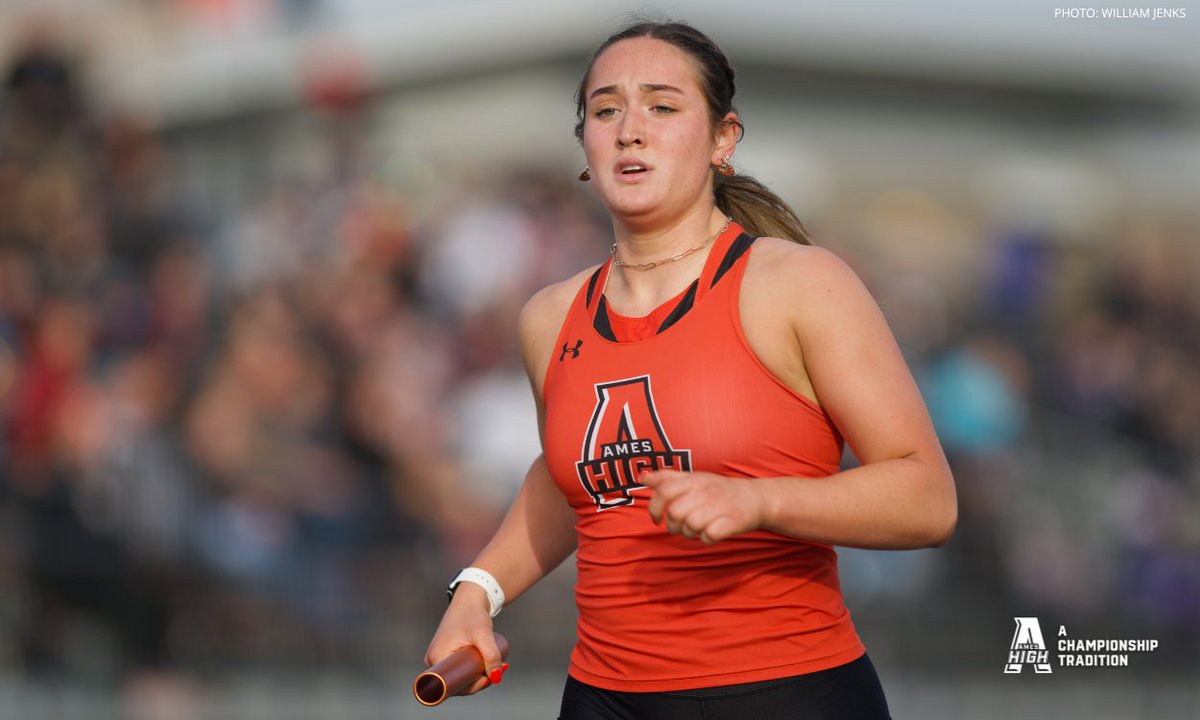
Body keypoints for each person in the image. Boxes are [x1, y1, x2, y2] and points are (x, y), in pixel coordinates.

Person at [424, 19, 956, 720]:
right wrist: (477, 593)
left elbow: (927, 497)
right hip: (602, 700)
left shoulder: (798, 283)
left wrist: (759, 501)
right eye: (606, 109)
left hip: (787, 695)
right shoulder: (548, 317)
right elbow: (570, 481)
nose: (630, 129)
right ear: (584, 144)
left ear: (722, 139)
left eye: (663, 106)